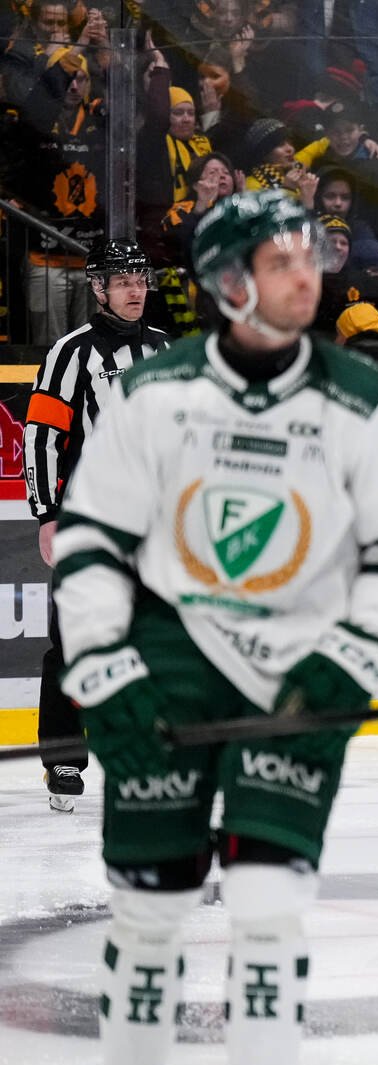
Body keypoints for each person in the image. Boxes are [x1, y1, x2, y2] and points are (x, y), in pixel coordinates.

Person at [54, 189, 378, 1065]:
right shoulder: (154, 393)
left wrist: (351, 661)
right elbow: (92, 540)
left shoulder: (366, 397)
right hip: (171, 658)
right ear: (230, 281)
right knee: (148, 911)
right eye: (280, 261)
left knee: (270, 904)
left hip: (298, 675)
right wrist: (107, 672)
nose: (306, 275)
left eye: (310, 257)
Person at [23, 241, 171, 812]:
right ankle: (64, 756)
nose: (136, 289)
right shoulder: (70, 352)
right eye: (123, 280)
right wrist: (47, 513)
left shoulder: (164, 348)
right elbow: (42, 435)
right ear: (98, 288)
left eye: (141, 278)